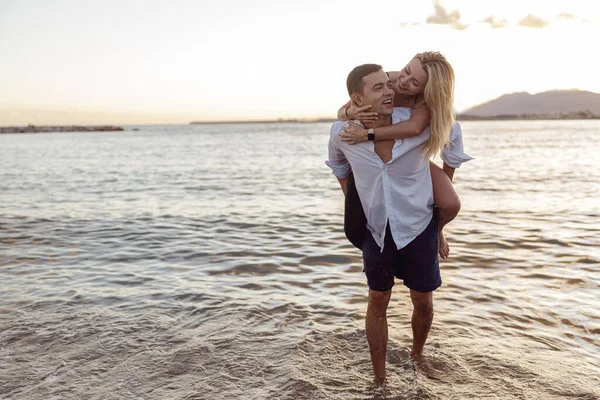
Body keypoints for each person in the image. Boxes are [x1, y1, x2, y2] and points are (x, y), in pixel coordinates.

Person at [326, 63, 452, 381]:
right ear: (358, 97)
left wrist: (439, 228)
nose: (390, 91)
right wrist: (356, 201)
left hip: (419, 223)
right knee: (378, 297)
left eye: (389, 85)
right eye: (379, 87)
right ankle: (379, 378)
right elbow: (339, 166)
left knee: (422, 299)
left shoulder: (415, 123)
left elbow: (453, 146)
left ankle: (417, 354)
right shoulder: (341, 133)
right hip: (376, 228)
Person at [336, 52, 472, 259]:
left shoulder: (424, 102)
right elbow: (342, 111)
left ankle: (437, 230)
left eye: (414, 82)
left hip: (411, 153)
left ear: (427, 90)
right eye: (406, 71)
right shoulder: (388, 79)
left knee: (450, 203)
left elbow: (415, 127)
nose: (403, 81)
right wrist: (350, 114)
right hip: (385, 154)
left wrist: (367, 135)